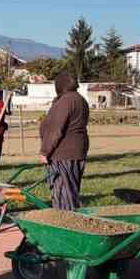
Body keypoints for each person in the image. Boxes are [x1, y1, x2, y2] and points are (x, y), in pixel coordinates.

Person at [39, 71, 89, 209]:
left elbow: (55, 128)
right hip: (77, 151)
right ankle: (71, 219)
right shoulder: (80, 99)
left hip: (63, 153)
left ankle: (65, 222)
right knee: (71, 190)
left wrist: (44, 151)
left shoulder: (66, 101)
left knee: (63, 193)